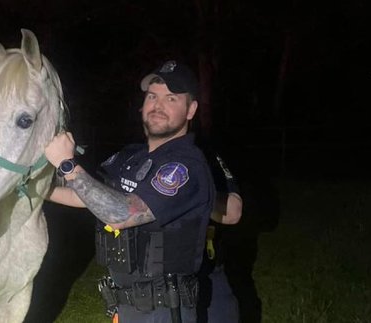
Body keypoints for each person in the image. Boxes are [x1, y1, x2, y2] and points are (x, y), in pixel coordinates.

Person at [45, 60, 215, 323]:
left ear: (191, 110)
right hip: (125, 308)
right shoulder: (130, 157)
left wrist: (67, 165)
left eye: (171, 98)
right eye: (152, 96)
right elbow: (87, 195)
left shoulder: (184, 166)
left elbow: (121, 214)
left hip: (165, 312)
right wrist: (36, 190)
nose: (158, 106)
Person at [196, 147, 243, 323]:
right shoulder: (136, 156)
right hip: (155, 279)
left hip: (208, 268)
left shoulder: (210, 156)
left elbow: (232, 213)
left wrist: (189, 195)